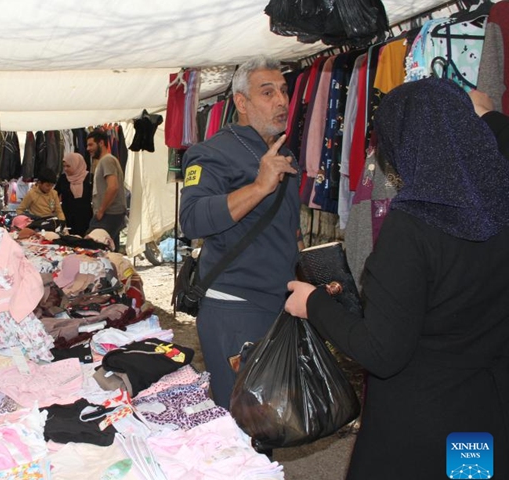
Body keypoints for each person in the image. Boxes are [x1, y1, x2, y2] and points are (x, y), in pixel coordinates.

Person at [285, 78, 509, 479]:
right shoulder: (500, 206)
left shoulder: (413, 227)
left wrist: (313, 303)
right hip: (483, 417)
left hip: (417, 428)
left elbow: (382, 351)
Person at [178, 56, 301, 409]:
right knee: (243, 421)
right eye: (268, 93)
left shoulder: (281, 152)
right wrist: (259, 186)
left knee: (271, 418)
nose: (281, 101)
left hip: (276, 305)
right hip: (235, 309)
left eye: (283, 91)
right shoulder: (212, 153)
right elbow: (192, 218)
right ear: (242, 103)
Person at [86, 129, 127, 251]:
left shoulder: (107, 160)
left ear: (101, 143)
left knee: (91, 247)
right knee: (110, 250)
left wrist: (101, 210)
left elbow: (113, 186)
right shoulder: (105, 161)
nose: (88, 149)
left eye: (91, 144)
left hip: (109, 213)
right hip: (112, 213)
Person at [55, 152, 93, 236]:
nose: (65, 169)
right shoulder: (63, 178)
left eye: (68, 166)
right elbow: (55, 195)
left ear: (77, 164)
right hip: (67, 217)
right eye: (64, 166)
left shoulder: (89, 178)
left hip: (85, 217)